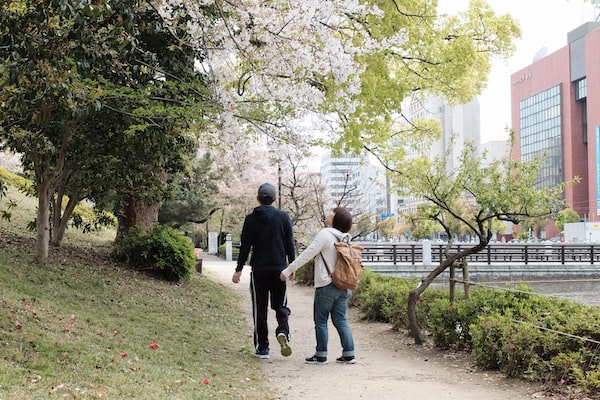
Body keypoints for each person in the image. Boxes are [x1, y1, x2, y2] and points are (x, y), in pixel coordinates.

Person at [280, 207, 356, 365]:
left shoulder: (325, 235)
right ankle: (349, 354)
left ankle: (321, 355)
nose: (329, 213)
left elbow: (307, 254)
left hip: (326, 285)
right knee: (340, 320)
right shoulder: (346, 238)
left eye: (332, 212)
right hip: (343, 285)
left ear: (336, 219)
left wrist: (288, 270)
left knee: (321, 321)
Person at [232, 183, 295, 359]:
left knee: (260, 308)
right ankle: (283, 331)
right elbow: (290, 243)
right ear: (274, 199)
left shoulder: (251, 219)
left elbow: (245, 247)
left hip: (259, 270)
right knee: (280, 305)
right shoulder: (283, 217)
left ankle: (262, 348)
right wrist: (292, 266)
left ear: (258, 198)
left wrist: (238, 270)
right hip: (279, 270)